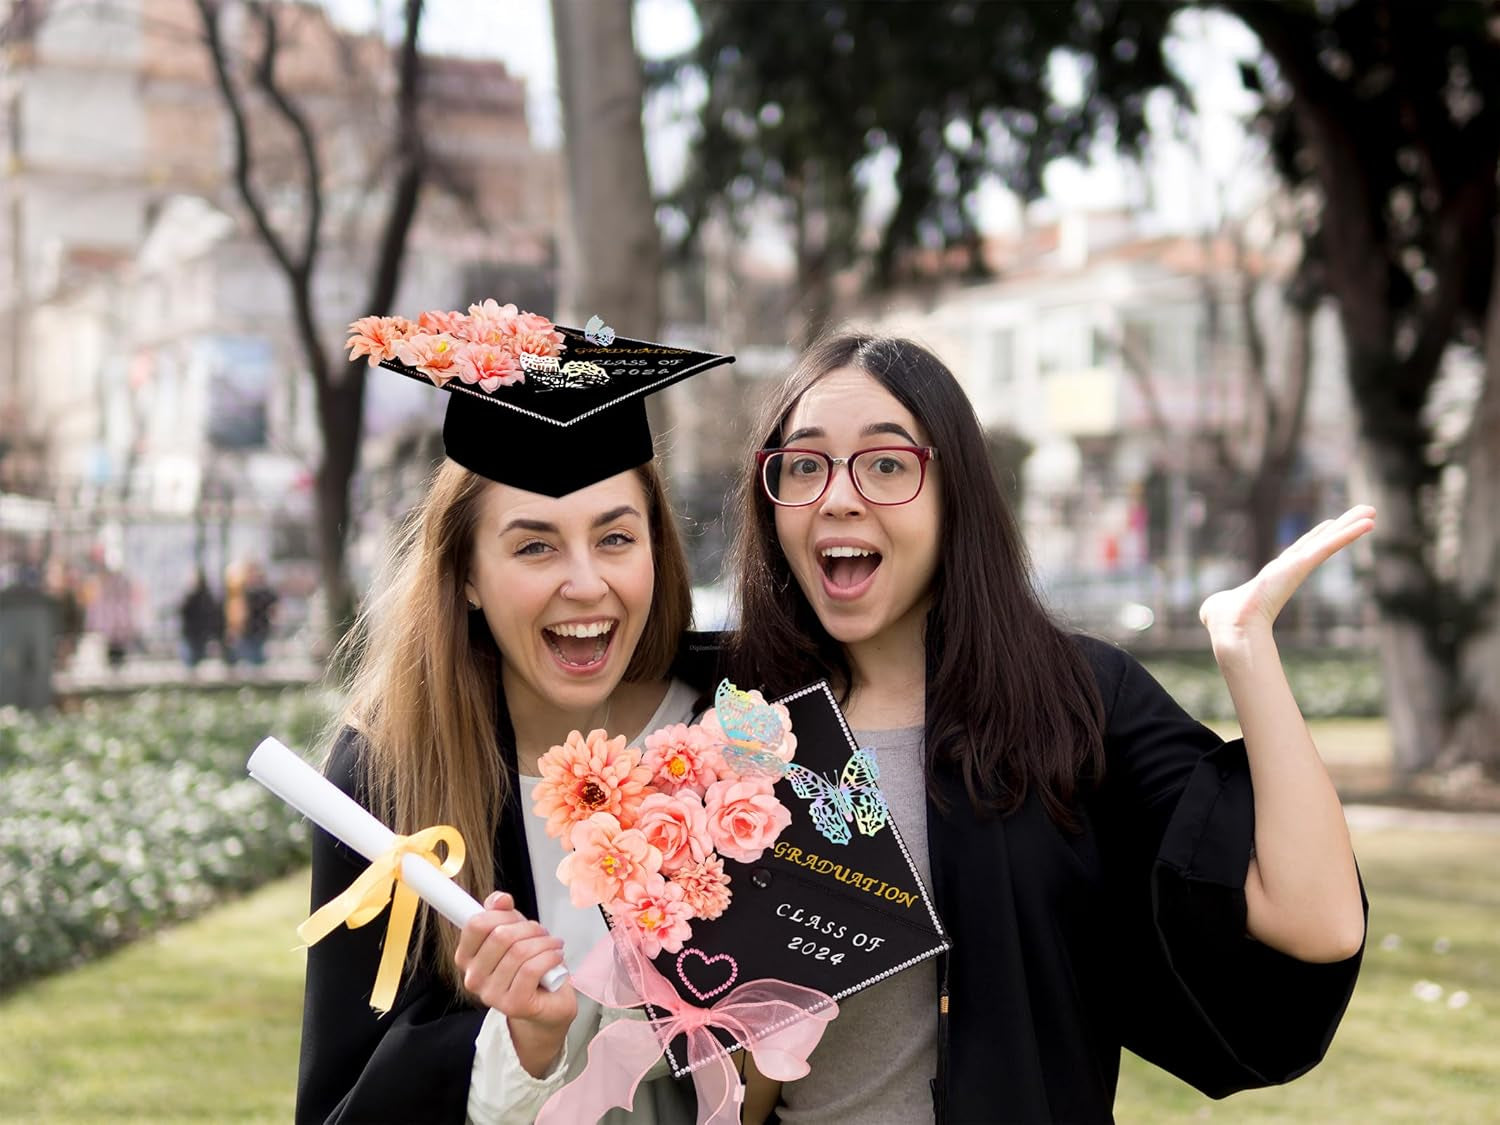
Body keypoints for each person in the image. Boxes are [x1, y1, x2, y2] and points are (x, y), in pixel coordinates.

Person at [724, 333, 1369, 1124]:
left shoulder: (1070, 702)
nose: (838, 496)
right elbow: (734, 1092)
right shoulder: (742, 731)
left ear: (953, 492)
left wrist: (1246, 646)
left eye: (887, 464)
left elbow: (1320, 922)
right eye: (804, 465)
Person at [297, 302, 734, 1124]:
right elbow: (338, 1110)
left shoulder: (742, 728)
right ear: (465, 573)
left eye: (615, 538)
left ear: (657, 547)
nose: (584, 583)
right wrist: (513, 1046)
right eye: (535, 545)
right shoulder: (387, 779)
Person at [179, 569, 224, 670]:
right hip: (194, 632)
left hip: (198, 632)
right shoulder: (195, 596)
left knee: (195, 659)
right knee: (193, 659)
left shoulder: (203, 597)